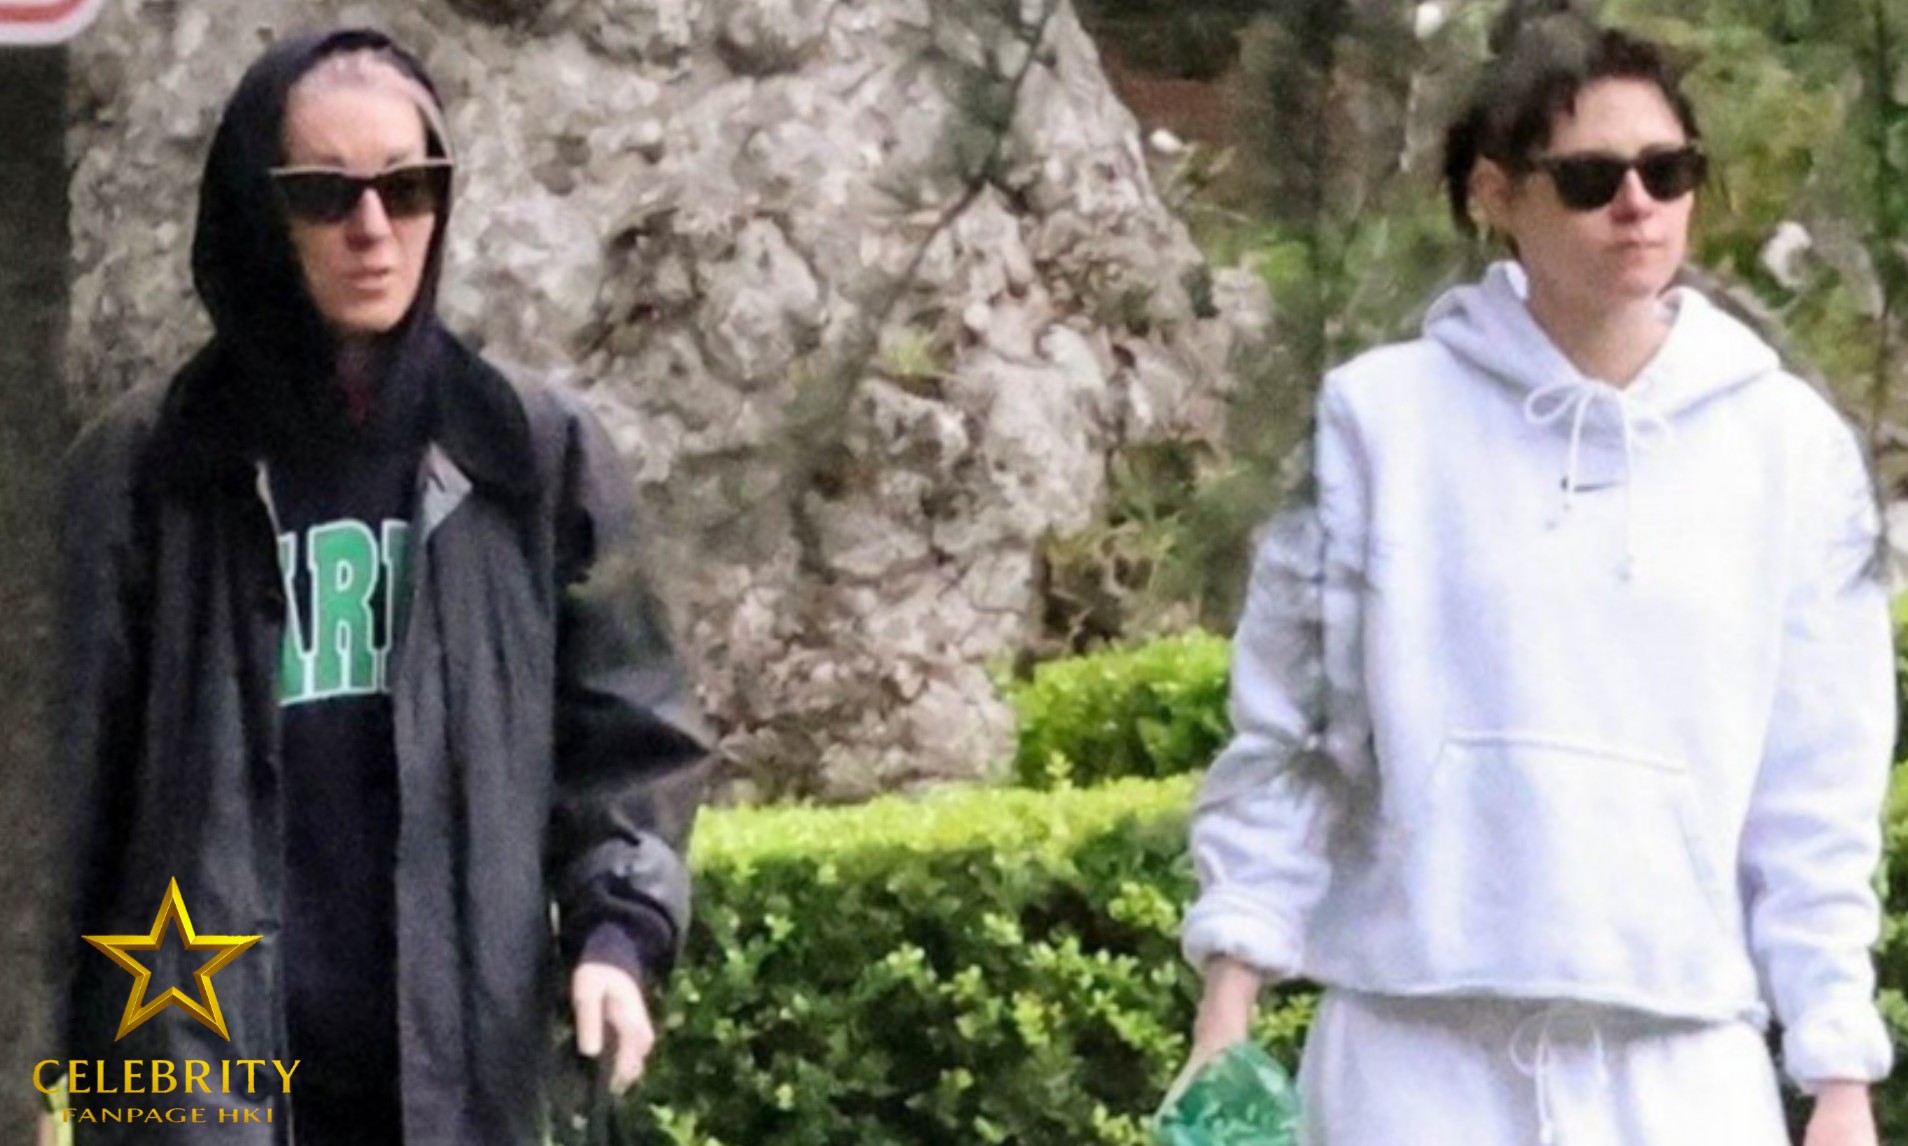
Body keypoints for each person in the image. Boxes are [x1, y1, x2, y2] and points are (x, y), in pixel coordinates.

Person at [1180, 9, 1893, 1146]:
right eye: (1591, 178)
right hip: (1411, 1058)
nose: (1637, 205)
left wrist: (1839, 1073)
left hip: (1684, 1070)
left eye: (1668, 171)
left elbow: (1817, 791)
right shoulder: (1379, 421)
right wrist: (1228, 1007)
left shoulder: (1790, 449)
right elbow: (1295, 734)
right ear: (1498, 195)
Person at [49, 28, 710, 1146]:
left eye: (409, 188)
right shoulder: (146, 472)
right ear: (259, 212)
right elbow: (47, 801)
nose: (373, 228)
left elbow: (630, 741)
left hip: (459, 1082)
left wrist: (617, 936)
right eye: (325, 195)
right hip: (190, 1087)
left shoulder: (531, 455)